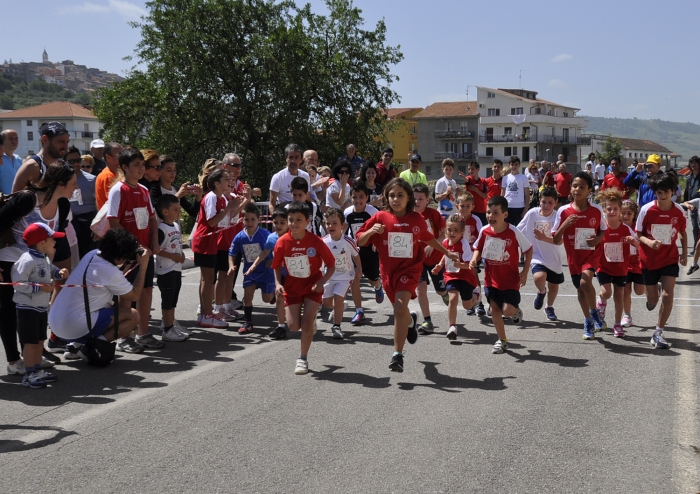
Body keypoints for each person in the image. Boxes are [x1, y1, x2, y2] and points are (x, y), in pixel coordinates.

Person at [357, 178, 459, 373]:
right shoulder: (380, 217)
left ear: (409, 198)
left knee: (399, 308)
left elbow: (429, 238)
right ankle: (411, 321)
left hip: (410, 269)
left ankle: (397, 355)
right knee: (401, 311)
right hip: (388, 273)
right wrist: (370, 231)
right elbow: (360, 241)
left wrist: (447, 252)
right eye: (392, 195)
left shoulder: (416, 220)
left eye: (400, 195)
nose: (395, 199)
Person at [0, 161, 76, 371]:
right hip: (8, 260)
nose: (75, 188)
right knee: (8, 312)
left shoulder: (63, 205)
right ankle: (14, 361)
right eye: (73, 183)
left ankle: (31, 357)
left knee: (32, 312)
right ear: (60, 183)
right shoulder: (27, 199)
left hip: (36, 266)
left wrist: (54, 270)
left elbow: (55, 241)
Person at [48, 229, 150, 361]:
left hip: (56, 325)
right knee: (133, 316)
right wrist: (143, 267)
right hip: (74, 326)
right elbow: (134, 295)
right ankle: (93, 347)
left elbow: (113, 272)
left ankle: (74, 346)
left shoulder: (92, 255)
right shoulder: (110, 272)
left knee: (101, 309)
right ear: (120, 256)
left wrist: (127, 261)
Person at [106, 147, 163, 352]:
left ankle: (143, 333)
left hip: (145, 252)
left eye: (142, 165)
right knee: (126, 294)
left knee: (146, 290)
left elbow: (151, 219)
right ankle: (124, 337)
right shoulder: (118, 190)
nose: (140, 169)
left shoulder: (144, 190)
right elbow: (113, 221)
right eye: (136, 165)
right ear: (124, 167)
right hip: (127, 252)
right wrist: (133, 245)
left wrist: (154, 242)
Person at [272, 202, 336, 375]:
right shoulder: (282, 242)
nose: (294, 223)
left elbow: (331, 265)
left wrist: (322, 282)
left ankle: (302, 358)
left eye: (298, 220)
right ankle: (310, 321)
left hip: (312, 288)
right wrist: (278, 283)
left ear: (307, 221)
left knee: (306, 325)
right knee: (293, 326)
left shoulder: (316, 242)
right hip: (292, 288)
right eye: (291, 220)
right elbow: (276, 265)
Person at [469, 196, 532, 354]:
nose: (491, 216)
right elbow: (477, 247)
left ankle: (516, 312)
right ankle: (502, 340)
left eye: (495, 213)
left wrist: (524, 272)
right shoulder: (484, 231)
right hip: (491, 279)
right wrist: (474, 259)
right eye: (488, 212)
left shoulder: (513, 231)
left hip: (510, 280)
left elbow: (528, 249)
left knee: (508, 310)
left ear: (505, 214)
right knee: (495, 310)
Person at [12, 223, 68, 387]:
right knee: (30, 343)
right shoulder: (27, 261)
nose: (55, 242)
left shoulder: (43, 258)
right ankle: (29, 374)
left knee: (39, 341)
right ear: (42, 243)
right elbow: (17, 284)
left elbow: (50, 270)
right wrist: (40, 288)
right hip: (27, 308)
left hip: (41, 307)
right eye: (52, 239)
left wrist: (59, 272)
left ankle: (37, 370)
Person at [552, 172, 607, 340]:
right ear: (570, 189)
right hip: (573, 258)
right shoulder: (562, 211)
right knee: (581, 291)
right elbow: (555, 239)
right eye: (575, 186)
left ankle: (592, 313)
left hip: (591, 254)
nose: (577, 189)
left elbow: (603, 230)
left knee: (585, 282)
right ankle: (589, 319)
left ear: (589, 190)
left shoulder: (596, 210)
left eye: (582, 187)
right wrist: (564, 225)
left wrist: (597, 239)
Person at [636, 172, 687, 349]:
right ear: (655, 193)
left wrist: (684, 253)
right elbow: (639, 234)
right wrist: (649, 242)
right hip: (649, 259)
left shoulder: (679, 211)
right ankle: (653, 294)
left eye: (666, 192)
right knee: (653, 299)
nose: (663, 196)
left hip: (669, 258)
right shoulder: (646, 209)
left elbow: (682, 232)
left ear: (673, 191)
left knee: (668, 294)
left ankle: (658, 332)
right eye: (659, 193)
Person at [191, 168, 243, 329]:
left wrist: (238, 205)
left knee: (207, 279)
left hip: (212, 242)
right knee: (208, 279)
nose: (229, 181)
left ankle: (206, 314)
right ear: (216, 183)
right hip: (204, 242)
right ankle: (207, 314)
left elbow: (226, 220)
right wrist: (228, 209)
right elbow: (212, 222)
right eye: (225, 179)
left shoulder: (221, 198)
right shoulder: (212, 197)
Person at [594, 188, 638, 337]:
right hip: (603, 266)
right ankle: (601, 302)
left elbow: (639, 245)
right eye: (609, 208)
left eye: (615, 209)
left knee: (619, 296)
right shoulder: (600, 228)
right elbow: (591, 242)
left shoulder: (626, 229)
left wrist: (634, 242)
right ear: (604, 210)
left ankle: (618, 324)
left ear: (620, 211)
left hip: (620, 268)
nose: (612, 211)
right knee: (607, 292)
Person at [517, 186, 564, 321]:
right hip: (536, 255)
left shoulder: (558, 217)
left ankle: (549, 307)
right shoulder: (532, 213)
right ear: (539, 201)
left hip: (553, 258)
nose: (546, 205)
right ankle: (541, 292)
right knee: (539, 277)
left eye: (550, 202)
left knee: (554, 287)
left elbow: (559, 242)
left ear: (555, 203)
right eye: (544, 202)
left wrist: (544, 238)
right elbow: (519, 230)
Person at [431, 215, 480, 340]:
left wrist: (460, 265)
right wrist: (440, 265)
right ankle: (452, 326)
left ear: (462, 232)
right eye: (449, 230)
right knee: (452, 298)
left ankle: (476, 295)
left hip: (464, 276)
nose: (452, 233)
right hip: (451, 275)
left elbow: (469, 265)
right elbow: (445, 255)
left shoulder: (464, 244)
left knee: (467, 306)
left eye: (456, 230)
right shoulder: (445, 242)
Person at [228, 202, 275, 334]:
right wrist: (231, 266)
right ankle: (248, 322)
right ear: (242, 220)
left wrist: (273, 259)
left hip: (266, 271)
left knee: (267, 299)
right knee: (247, 297)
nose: (249, 222)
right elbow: (231, 253)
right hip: (250, 271)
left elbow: (278, 248)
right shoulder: (239, 237)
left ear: (259, 220)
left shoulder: (265, 234)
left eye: (253, 219)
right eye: (246, 219)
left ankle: (272, 296)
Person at [245, 207, 290, 339]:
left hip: (294, 274)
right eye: (276, 223)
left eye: (282, 222)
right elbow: (264, 253)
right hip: (279, 274)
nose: (279, 225)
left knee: (295, 302)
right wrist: (253, 265)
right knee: (280, 298)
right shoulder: (272, 238)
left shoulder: (294, 236)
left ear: (288, 222)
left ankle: (306, 316)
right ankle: (281, 327)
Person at [344, 182, 383, 324]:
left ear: (367, 197)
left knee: (372, 278)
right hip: (354, 249)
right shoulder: (347, 212)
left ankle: (378, 286)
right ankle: (359, 311)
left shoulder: (373, 212)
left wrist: (377, 243)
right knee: (355, 277)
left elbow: (381, 229)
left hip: (370, 248)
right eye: (354, 197)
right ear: (350, 198)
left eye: (361, 197)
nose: (358, 200)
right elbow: (344, 230)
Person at [413, 183, 448, 334]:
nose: (417, 202)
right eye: (414, 198)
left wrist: (433, 245)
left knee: (440, 291)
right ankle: (427, 321)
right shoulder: (408, 215)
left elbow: (444, 233)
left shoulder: (433, 214)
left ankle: (445, 294)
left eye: (420, 199)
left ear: (427, 200)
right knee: (421, 290)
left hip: (435, 258)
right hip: (417, 259)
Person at [321, 208, 361, 340]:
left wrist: (358, 269)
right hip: (329, 276)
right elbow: (319, 260)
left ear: (342, 225)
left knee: (338, 298)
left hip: (345, 276)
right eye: (328, 223)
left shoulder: (348, 241)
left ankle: (336, 326)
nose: (330, 226)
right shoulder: (324, 242)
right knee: (326, 303)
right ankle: (339, 307)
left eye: (334, 223)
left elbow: (356, 255)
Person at [154, 194, 189, 342]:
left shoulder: (175, 225)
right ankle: (167, 330)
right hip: (166, 269)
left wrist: (180, 255)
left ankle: (170, 323)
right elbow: (156, 249)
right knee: (167, 300)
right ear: (165, 212)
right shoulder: (161, 228)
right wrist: (173, 256)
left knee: (173, 299)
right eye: (175, 209)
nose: (178, 212)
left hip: (176, 269)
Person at [12, 122, 70, 193]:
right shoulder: (32, 167)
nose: (66, 147)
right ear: (45, 140)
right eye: (61, 142)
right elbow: (14, 201)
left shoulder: (62, 166)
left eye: (67, 142)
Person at [63, 146, 98, 258]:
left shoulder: (92, 179)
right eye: (71, 161)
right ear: (65, 162)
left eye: (78, 160)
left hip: (89, 221)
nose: (76, 164)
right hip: (70, 222)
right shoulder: (61, 180)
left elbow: (98, 202)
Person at [149, 155, 203, 219]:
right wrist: (177, 196)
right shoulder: (154, 189)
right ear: (160, 171)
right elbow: (159, 212)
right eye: (169, 170)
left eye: (174, 170)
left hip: (175, 229)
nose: (173, 173)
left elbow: (192, 212)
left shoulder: (176, 189)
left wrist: (198, 196)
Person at [620, 200, 645, 328]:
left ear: (634, 214)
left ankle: (652, 287)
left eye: (629, 213)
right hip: (624, 263)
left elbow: (646, 245)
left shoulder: (638, 228)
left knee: (639, 291)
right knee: (626, 290)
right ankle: (627, 315)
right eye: (623, 213)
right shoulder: (617, 227)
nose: (625, 216)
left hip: (638, 263)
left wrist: (635, 243)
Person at [269, 143, 312, 212]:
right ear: (286, 159)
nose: (293, 161)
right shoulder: (278, 177)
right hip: (284, 214)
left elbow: (307, 197)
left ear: (301, 160)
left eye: (296, 157)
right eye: (290, 157)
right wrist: (275, 220)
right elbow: (272, 204)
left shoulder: (305, 176)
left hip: (301, 213)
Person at [500, 156, 530, 225]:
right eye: (512, 164)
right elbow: (502, 193)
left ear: (519, 165)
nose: (514, 166)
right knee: (507, 228)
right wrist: (501, 207)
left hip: (520, 208)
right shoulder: (505, 178)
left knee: (519, 229)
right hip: (508, 207)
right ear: (509, 165)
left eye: (516, 164)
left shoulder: (523, 178)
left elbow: (527, 194)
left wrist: (526, 209)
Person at [94, 142, 124, 210]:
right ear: (108, 157)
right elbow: (115, 202)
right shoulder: (108, 176)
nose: (124, 157)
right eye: (120, 155)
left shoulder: (113, 173)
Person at [460, 161, 487, 225]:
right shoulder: (469, 179)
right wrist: (463, 177)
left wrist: (475, 190)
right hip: (470, 210)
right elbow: (466, 180)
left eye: (472, 169)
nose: (470, 171)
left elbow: (485, 196)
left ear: (478, 169)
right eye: (469, 169)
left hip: (481, 210)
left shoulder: (483, 181)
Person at [683, 156, 700, 250]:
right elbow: (686, 192)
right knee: (695, 228)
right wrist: (685, 207)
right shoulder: (689, 178)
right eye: (691, 163)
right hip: (692, 207)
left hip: (699, 205)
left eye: (695, 163)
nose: (693, 165)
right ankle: (696, 248)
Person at [1, 129, 22, 195]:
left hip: (18, 202)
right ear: (2, 141)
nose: (14, 141)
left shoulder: (18, 159)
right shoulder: (0, 159)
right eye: (10, 139)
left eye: (16, 139)